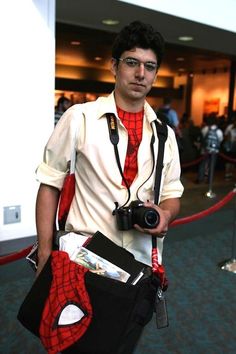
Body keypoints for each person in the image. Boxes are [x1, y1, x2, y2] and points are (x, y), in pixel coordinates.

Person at [35, 21, 184, 353]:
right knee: (71, 344)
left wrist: (165, 214)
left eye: (150, 66)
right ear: (115, 66)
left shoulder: (164, 134)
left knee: (119, 345)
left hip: (137, 267)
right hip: (83, 262)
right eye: (132, 62)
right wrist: (45, 252)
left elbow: (173, 193)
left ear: (156, 74)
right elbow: (49, 184)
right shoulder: (79, 118)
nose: (140, 73)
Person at [196, 114, 223, 184]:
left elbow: (202, 138)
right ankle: (209, 180)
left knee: (202, 164)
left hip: (205, 150)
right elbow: (220, 140)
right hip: (214, 151)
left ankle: (200, 178)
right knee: (212, 165)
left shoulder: (205, 129)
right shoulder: (219, 131)